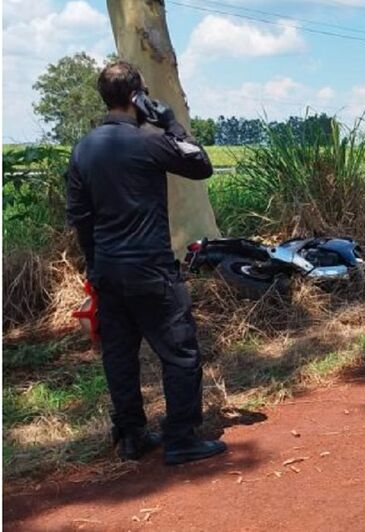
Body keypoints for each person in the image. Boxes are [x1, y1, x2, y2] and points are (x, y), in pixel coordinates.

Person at [66, 61, 226, 464]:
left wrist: (94, 265)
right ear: (138, 96)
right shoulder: (151, 140)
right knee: (180, 352)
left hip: (108, 270)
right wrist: (172, 122)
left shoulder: (83, 149)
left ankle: (132, 436)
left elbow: (80, 216)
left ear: (104, 98)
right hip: (151, 269)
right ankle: (181, 438)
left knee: (119, 356)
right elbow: (200, 165)